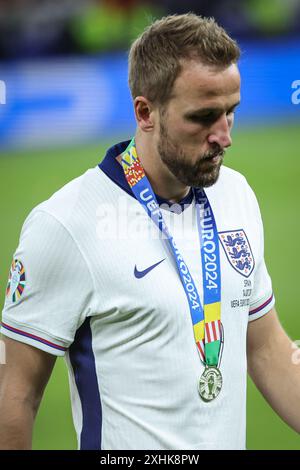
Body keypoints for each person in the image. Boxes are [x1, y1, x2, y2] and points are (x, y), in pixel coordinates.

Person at [0, 13, 299, 451]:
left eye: (231, 113)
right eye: (203, 117)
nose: (224, 136)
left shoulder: (236, 195)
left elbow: (268, 349)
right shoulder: (66, 224)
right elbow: (15, 393)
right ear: (145, 112)